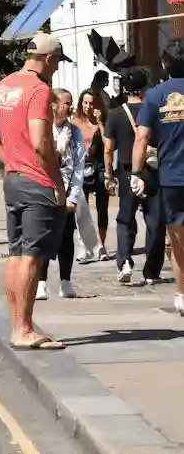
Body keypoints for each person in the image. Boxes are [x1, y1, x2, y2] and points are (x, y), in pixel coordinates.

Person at [0, 31, 68, 351]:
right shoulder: (39, 90)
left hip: (14, 180)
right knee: (32, 256)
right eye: (57, 62)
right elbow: (41, 142)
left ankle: (17, 325)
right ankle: (24, 329)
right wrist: (57, 182)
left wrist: (8, 159)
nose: (56, 68)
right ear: (48, 59)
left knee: (16, 254)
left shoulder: (5, 85)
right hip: (36, 182)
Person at [131, 39, 184, 316]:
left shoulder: (154, 96)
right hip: (172, 176)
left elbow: (141, 137)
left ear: (164, 64)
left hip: (172, 177)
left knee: (177, 237)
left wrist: (136, 172)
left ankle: (182, 293)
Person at [105, 68, 161, 285]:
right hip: (152, 168)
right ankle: (151, 270)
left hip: (127, 170)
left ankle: (125, 261)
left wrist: (109, 175)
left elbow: (108, 149)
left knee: (125, 218)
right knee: (154, 219)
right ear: (145, 86)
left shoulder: (115, 114)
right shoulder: (154, 110)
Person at [47, 88, 86, 300]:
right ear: (53, 105)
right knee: (43, 236)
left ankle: (65, 281)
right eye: (66, 103)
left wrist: (73, 196)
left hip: (67, 188)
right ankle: (41, 281)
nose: (70, 107)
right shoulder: (44, 129)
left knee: (66, 236)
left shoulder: (75, 132)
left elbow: (79, 166)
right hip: (45, 189)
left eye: (71, 103)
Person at [74, 88, 108, 263]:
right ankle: (85, 247)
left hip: (99, 168)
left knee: (102, 208)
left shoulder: (103, 121)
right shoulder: (75, 122)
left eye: (91, 103)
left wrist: (100, 122)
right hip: (81, 169)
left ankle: (101, 246)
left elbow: (108, 144)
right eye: (85, 103)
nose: (88, 106)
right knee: (81, 210)